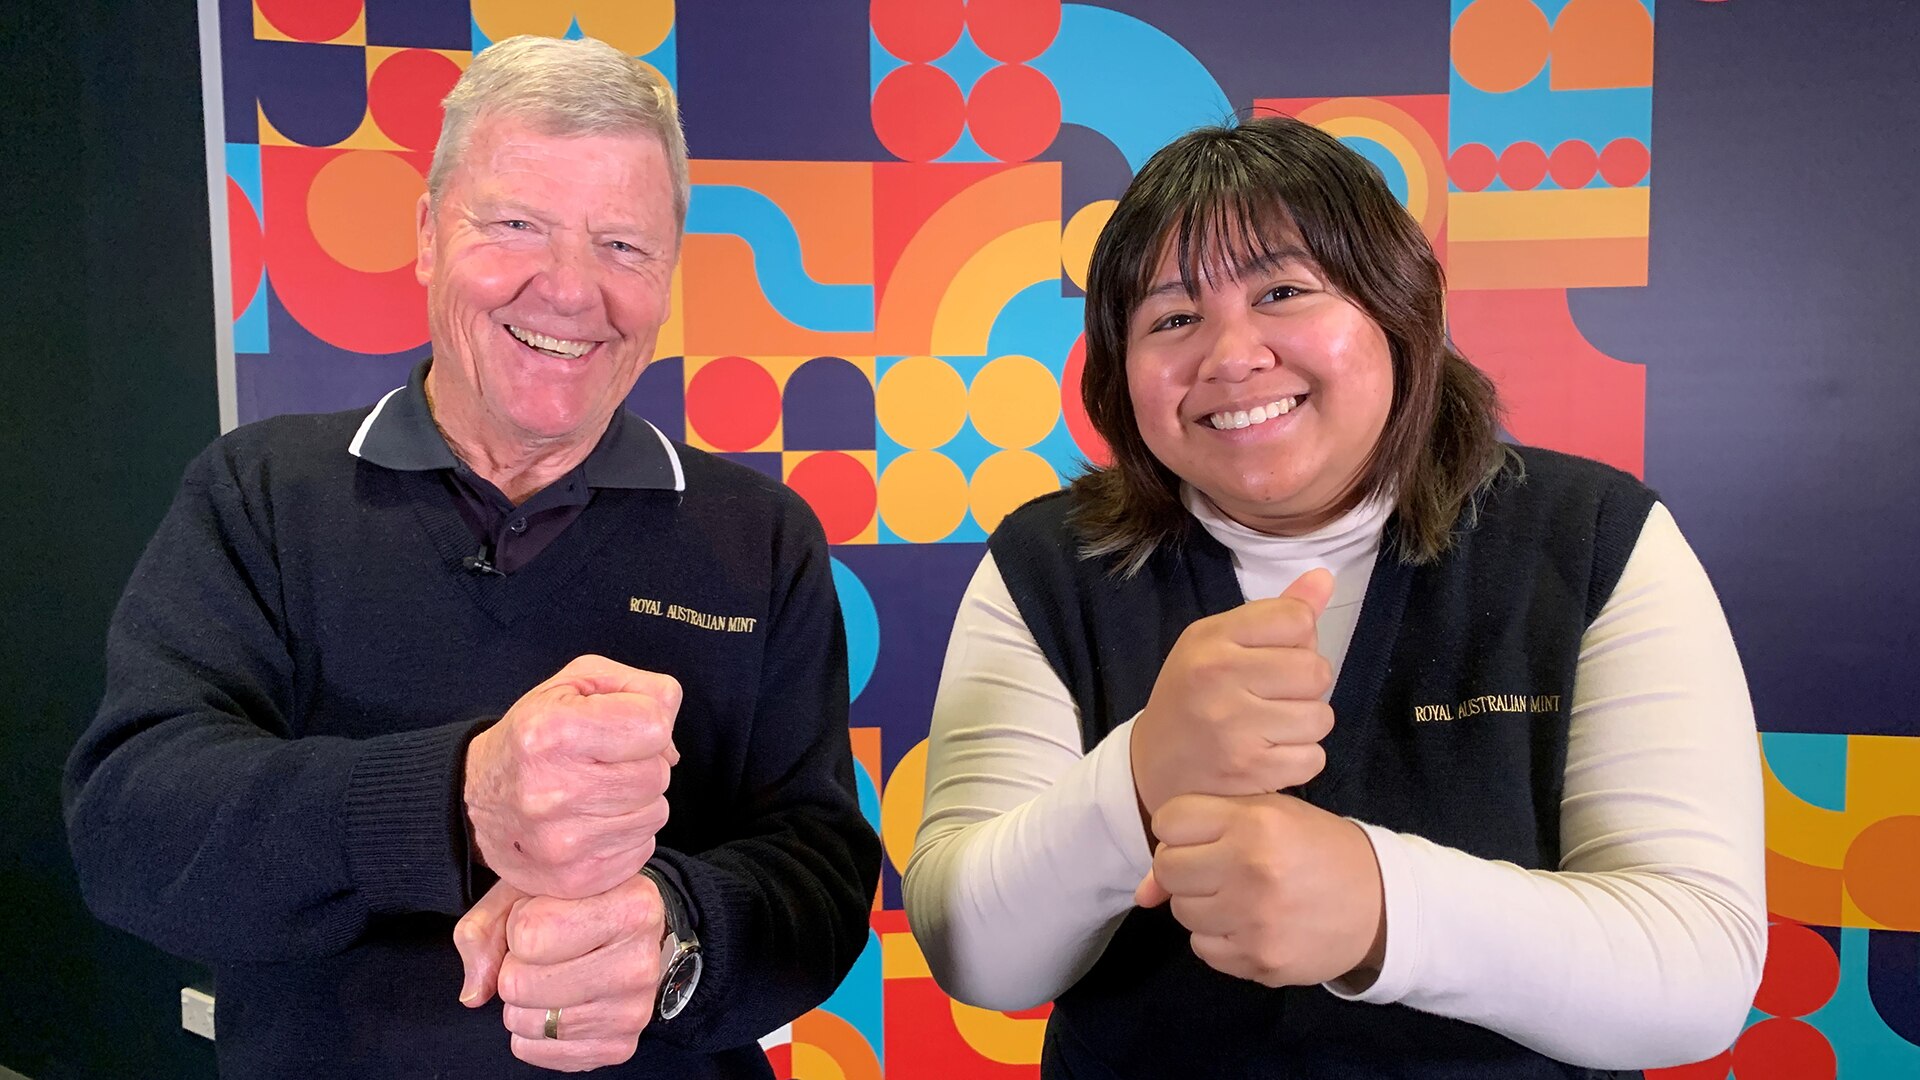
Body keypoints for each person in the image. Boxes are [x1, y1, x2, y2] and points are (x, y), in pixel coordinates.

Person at [64, 35, 879, 1079]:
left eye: (623, 246)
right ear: (426, 235)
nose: (571, 291)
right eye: (516, 226)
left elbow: (820, 876)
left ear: (670, 274)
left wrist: (675, 934)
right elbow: (130, 834)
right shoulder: (259, 494)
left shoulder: (760, 536)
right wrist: (457, 800)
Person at [902, 115, 1765, 1078]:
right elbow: (974, 956)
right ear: (1119, 373)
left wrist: (1381, 904)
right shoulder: (1050, 562)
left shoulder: (1593, 537)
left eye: (1282, 291)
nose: (1231, 355)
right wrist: (1141, 775)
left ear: (1399, 309)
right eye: (1173, 318)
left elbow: (1699, 974)